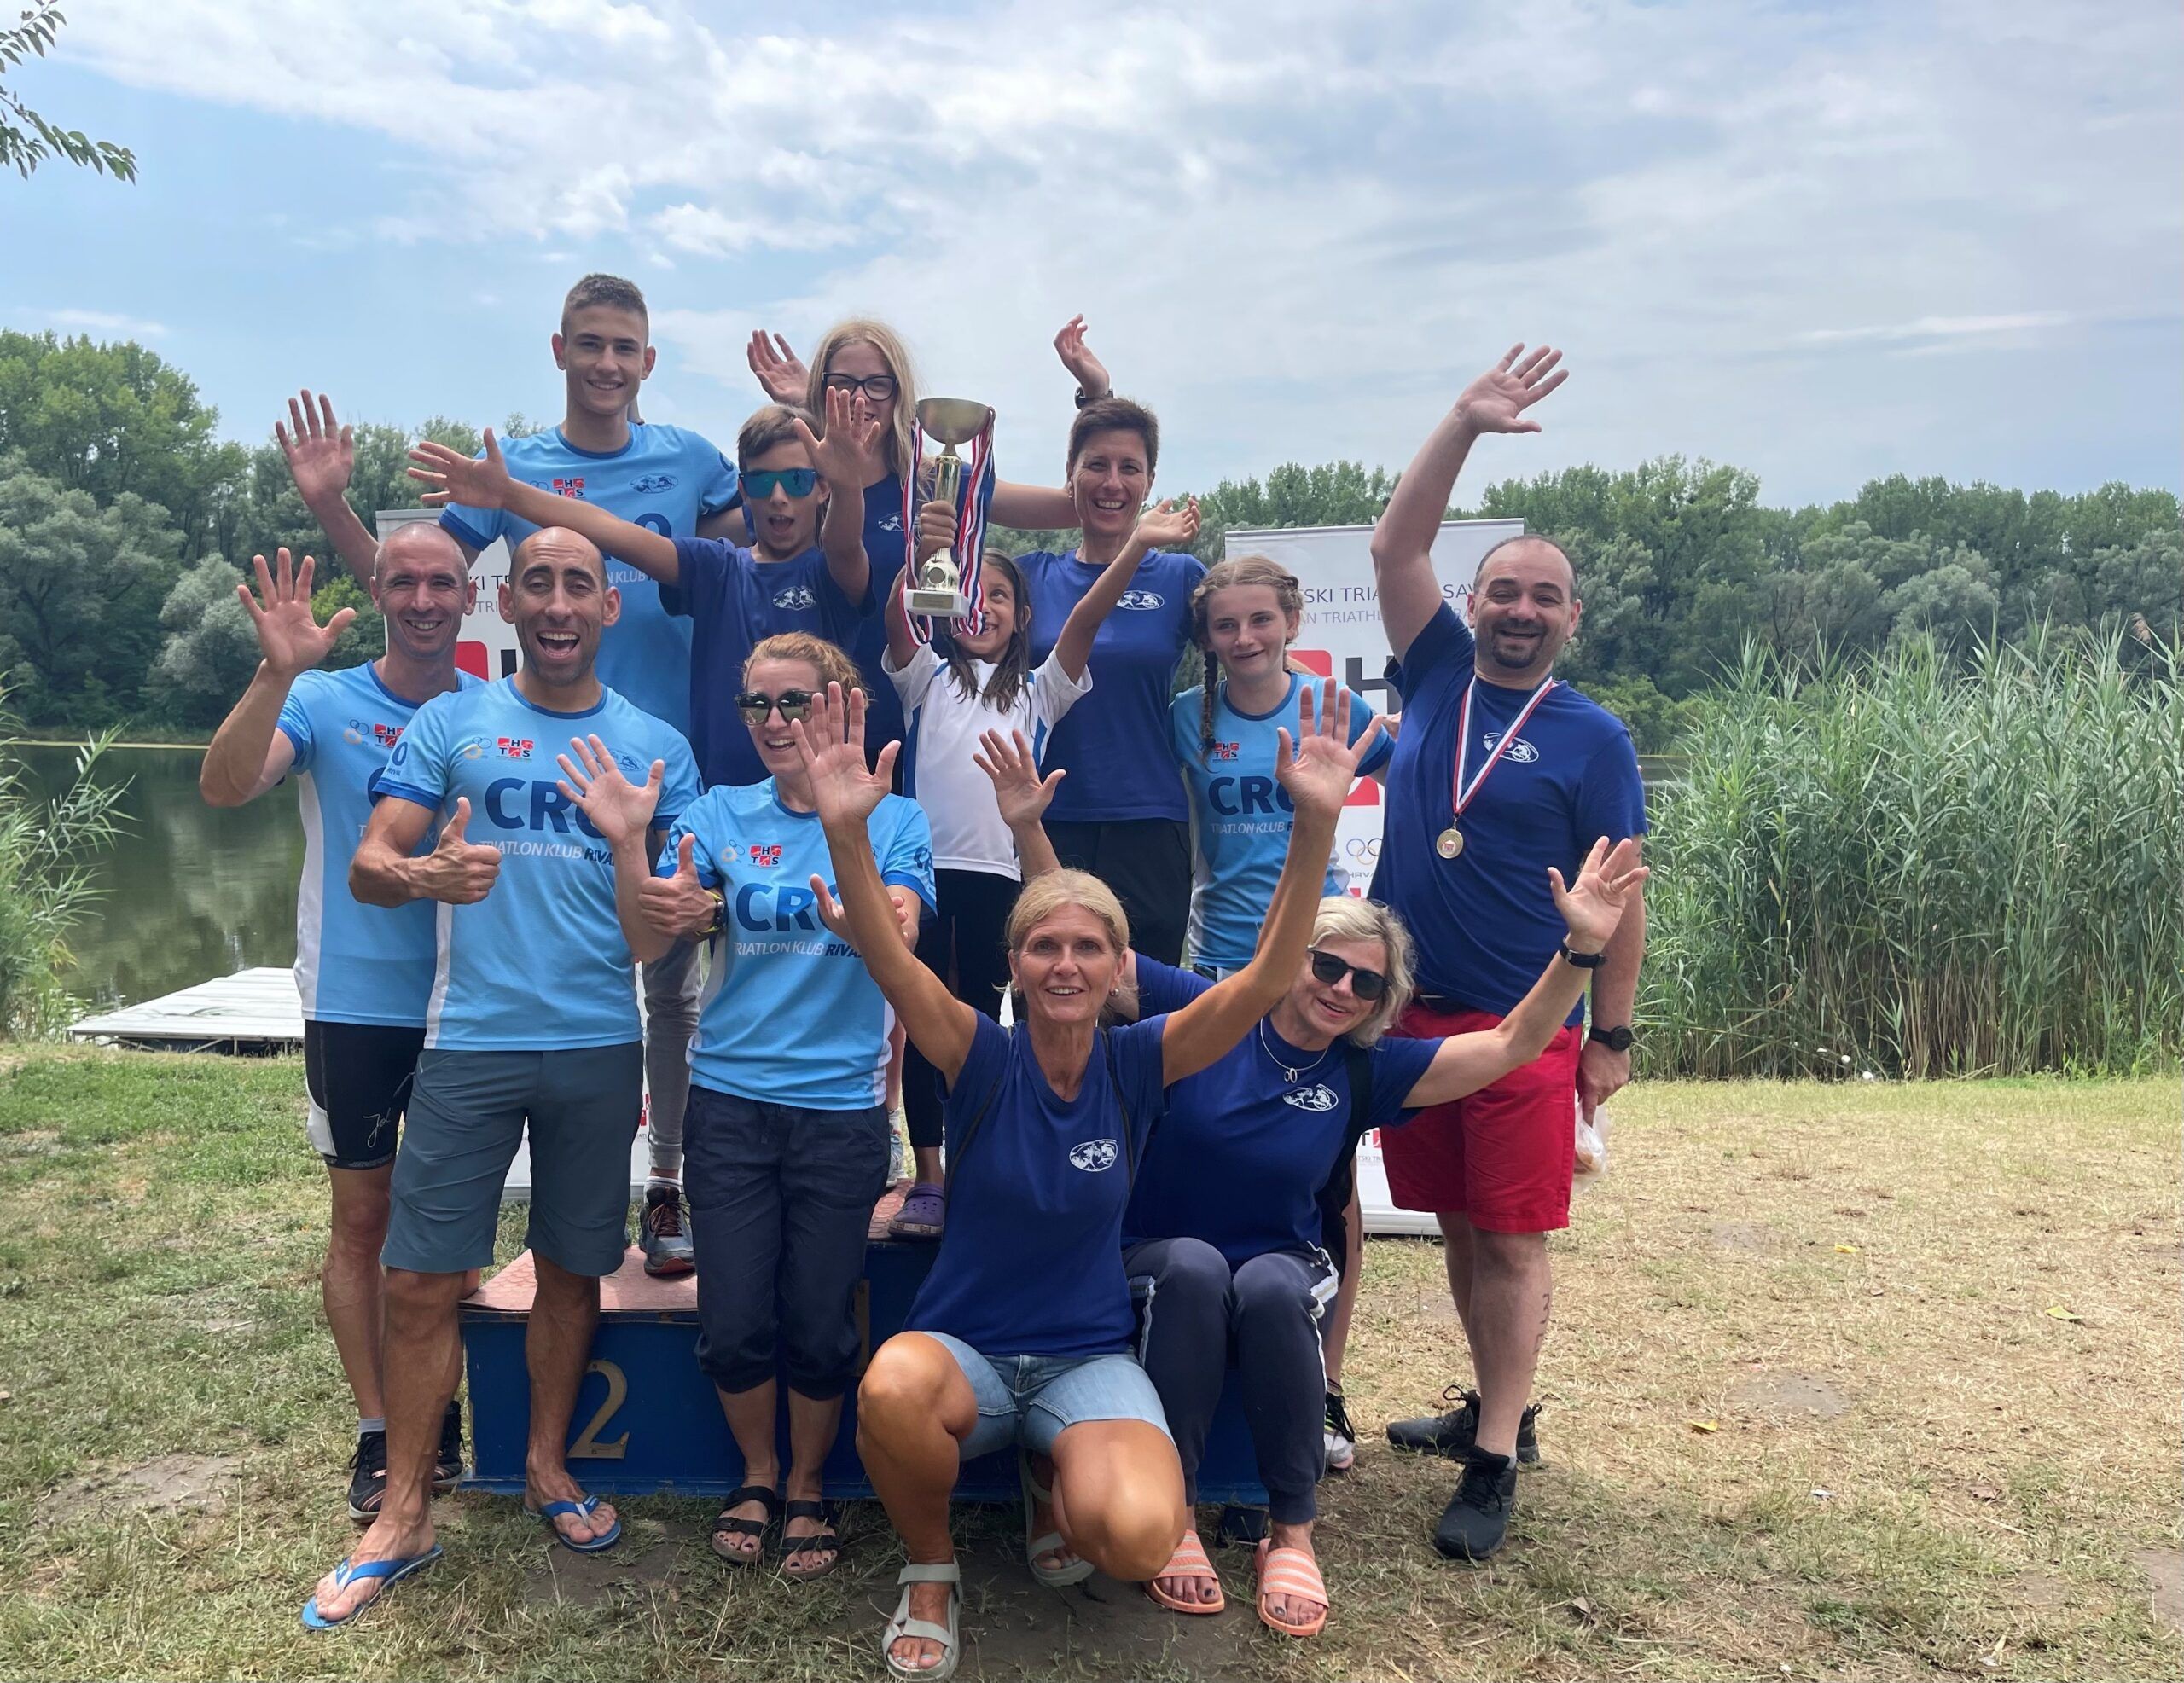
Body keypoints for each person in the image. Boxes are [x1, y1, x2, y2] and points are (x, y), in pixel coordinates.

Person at [978, 727, 1644, 1633]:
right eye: (1325, 964)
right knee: (1196, 1267)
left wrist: (1580, 949)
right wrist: (1027, 827)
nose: (1340, 989)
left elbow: (1510, 1044)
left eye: (1365, 984)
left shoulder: (1366, 1068)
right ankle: (1176, 1513)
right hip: (1156, 1256)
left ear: (1381, 1003)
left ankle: (1292, 1528)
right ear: (1291, 957)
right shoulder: (1203, 1009)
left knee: (1266, 1281)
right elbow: (1078, 937)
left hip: (1281, 1262)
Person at [793, 679, 1369, 1680]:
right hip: (967, 1349)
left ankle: (1047, 1475)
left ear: (1115, 966)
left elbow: (1266, 981)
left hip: (1086, 1360)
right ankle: (931, 1568)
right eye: (1044, 946)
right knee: (890, 1387)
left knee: (1140, 1537)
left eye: (1087, 947)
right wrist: (847, 831)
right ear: (1015, 965)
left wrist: (1313, 823)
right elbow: (892, 962)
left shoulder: (1141, 1061)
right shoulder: (976, 1052)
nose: (1065, 964)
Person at [288, 279, 738, 1273]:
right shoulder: (514, 466)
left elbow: (752, 573)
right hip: (532, 751)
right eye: (590, 343)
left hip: (652, 760)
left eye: (625, 346)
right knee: (550, 975)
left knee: (673, 988)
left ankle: (666, 1183)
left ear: (649, 361)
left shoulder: (695, 461)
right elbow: (416, 580)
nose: (607, 363)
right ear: (559, 349)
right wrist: (329, 505)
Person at [300, 528, 700, 1629]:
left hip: (596, 1044)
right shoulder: (452, 720)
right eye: (538, 584)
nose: (558, 602)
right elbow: (370, 865)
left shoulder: (655, 746)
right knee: (420, 1279)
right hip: (468, 1041)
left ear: (609, 606)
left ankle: (546, 1467)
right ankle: (404, 1513)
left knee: (572, 1269)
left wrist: (653, 868)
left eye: (579, 584)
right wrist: (423, 871)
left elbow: (653, 937)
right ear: (509, 605)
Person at [405, 386, 880, 1272]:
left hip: (814, 821)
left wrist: (849, 482)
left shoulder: (834, 571)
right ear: (740, 490)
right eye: (761, 482)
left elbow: (849, 540)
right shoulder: (716, 567)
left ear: (821, 487)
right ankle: (667, 1180)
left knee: (818, 976)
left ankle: (830, 1150)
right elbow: (614, 535)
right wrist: (510, 497)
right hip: (709, 818)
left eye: (799, 481)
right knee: (672, 994)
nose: (779, 499)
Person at [1368, 345, 1649, 1561]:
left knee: (1514, 1234)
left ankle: (1491, 1461)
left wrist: (1612, 1038)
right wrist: (1463, 423)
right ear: (1472, 603)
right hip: (1411, 1017)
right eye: (1504, 591)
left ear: (1571, 617)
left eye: (1545, 596)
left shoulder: (1595, 739)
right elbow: (1394, 545)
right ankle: (1499, 1407)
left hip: (1525, 1024)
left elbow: (1621, 902)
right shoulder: (1435, 670)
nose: (1521, 609)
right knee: (1458, 1224)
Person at [631, 633, 933, 1580]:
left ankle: (806, 1484)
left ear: (841, 704)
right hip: (730, 1103)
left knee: (818, 1316)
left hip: (840, 1110)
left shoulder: (894, 817)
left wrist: (846, 831)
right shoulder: (719, 812)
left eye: (793, 700)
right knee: (732, 1318)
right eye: (756, 703)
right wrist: (671, 896)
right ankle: (757, 1473)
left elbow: (899, 938)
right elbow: (667, 921)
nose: (773, 720)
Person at [199, 534, 479, 1521]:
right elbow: (225, 785)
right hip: (351, 1001)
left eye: (441, 581)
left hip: (464, 1003)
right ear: (378, 591)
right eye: (403, 580)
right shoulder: (321, 698)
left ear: (469, 596)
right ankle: (378, 1424)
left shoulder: (489, 709)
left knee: (449, 1226)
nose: (422, 597)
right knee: (362, 1218)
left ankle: (440, 1411)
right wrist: (275, 671)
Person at [886, 495, 1202, 1240]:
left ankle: (987, 1161)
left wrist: (1136, 544)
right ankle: (930, 1175)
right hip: (927, 877)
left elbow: (1086, 619)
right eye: (970, 593)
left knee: (995, 1024)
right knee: (927, 1020)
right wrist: (923, 558)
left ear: (1023, 616)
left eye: (999, 595)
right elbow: (899, 619)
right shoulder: (924, 676)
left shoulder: (1040, 689)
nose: (983, 607)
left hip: (1003, 880)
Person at [745, 316, 1095, 757]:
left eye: (877, 384)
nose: (859, 398)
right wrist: (807, 415)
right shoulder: (795, 489)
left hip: (929, 723)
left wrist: (1095, 395)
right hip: (815, 724)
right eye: (842, 384)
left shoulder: (936, 482)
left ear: (900, 395)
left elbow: (1076, 506)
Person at [1016, 398, 1205, 964]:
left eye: (1130, 468)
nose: (1112, 483)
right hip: (1048, 817)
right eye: (1096, 465)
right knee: (1051, 991)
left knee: (1150, 998)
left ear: (1150, 482)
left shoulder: (1180, 575)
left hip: (1149, 819)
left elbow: (1251, 652)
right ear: (1069, 475)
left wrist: (1323, 696)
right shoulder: (1030, 576)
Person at [1172, 554, 1395, 978]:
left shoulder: (1334, 705)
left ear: (1291, 623)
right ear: (1206, 638)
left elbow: (1414, 791)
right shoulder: (1185, 717)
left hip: (1323, 942)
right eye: (1226, 625)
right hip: (1223, 948)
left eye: (1261, 620)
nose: (1245, 638)